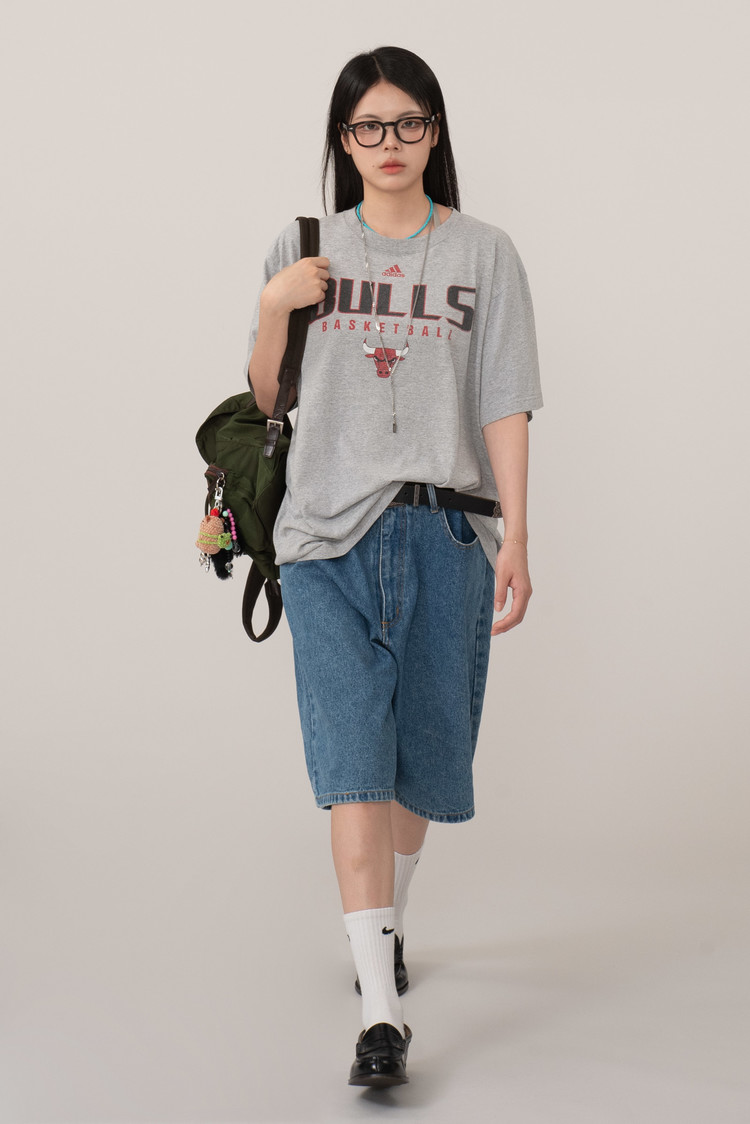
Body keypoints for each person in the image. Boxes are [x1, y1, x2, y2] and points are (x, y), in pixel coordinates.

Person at [246, 45, 543, 1087]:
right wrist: (276, 305)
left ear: (434, 132)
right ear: (344, 139)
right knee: (353, 766)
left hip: (446, 534)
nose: (390, 143)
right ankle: (381, 1013)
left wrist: (518, 532)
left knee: (421, 761)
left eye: (408, 123)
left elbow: (504, 396)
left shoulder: (485, 252)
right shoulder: (306, 247)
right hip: (326, 538)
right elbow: (268, 397)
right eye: (369, 127)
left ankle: (391, 919)